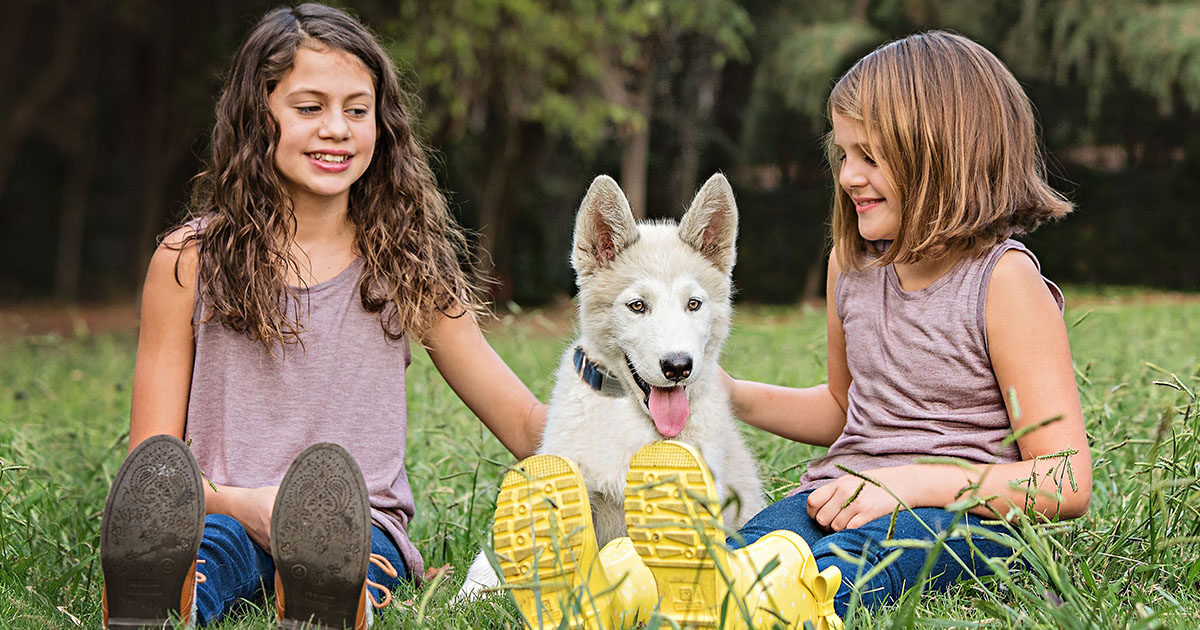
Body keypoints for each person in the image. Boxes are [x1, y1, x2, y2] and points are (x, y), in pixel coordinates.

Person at [99, 4, 546, 629]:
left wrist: (636, 443)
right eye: (309, 108)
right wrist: (247, 504)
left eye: (357, 110)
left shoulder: (408, 264)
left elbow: (525, 423)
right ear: (260, 117)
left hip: (359, 524)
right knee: (206, 557)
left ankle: (327, 600)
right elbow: (152, 465)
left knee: (353, 557)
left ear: (381, 125)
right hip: (222, 512)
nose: (337, 128)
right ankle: (156, 602)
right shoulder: (189, 261)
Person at [722, 30, 1093, 617]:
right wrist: (730, 396)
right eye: (844, 155)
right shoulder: (852, 264)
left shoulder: (1003, 282)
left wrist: (910, 484)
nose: (848, 177)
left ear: (945, 156)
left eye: (869, 157)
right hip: (841, 495)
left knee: (828, 576)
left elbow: (1065, 480)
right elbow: (846, 409)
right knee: (736, 560)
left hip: (965, 520)